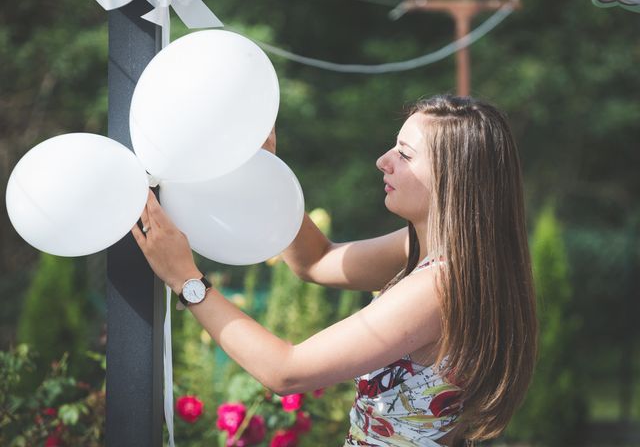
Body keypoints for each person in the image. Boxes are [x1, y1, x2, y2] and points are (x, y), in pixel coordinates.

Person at [131, 94, 537, 446]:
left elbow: (286, 372)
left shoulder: (437, 286)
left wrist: (187, 280)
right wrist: (268, 174)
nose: (383, 161)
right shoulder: (442, 253)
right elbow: (316, 261)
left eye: (405, 154)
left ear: (454, 178)